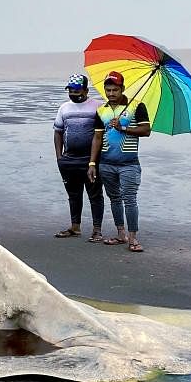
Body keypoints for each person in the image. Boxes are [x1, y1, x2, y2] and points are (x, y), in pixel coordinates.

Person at [87, 71, 151, 252]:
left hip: (129, 164)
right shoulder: (101, 111)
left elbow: (146, 130)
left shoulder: (137, 106)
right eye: (108, 90)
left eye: (115, 89)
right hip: (106, 163)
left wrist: (123, 127)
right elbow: (97, 138)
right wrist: (92, 163)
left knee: (129, 199)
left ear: (122, 89)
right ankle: (120, 234)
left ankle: (133, 238)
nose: (111, 93)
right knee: (114, 198)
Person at [52, 73, 105, 242]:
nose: (73, 94)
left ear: (86, 90)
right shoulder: (64, 108)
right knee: (73, 194)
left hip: (91, 160)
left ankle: (97, 230)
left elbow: (103, 134)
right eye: (70, 90)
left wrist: (95, 161)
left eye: (77, 90)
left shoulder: (98, 106)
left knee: (95, 194)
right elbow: (58, 132)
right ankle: (75, 227)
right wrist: (59, 157)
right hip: (69, 160)